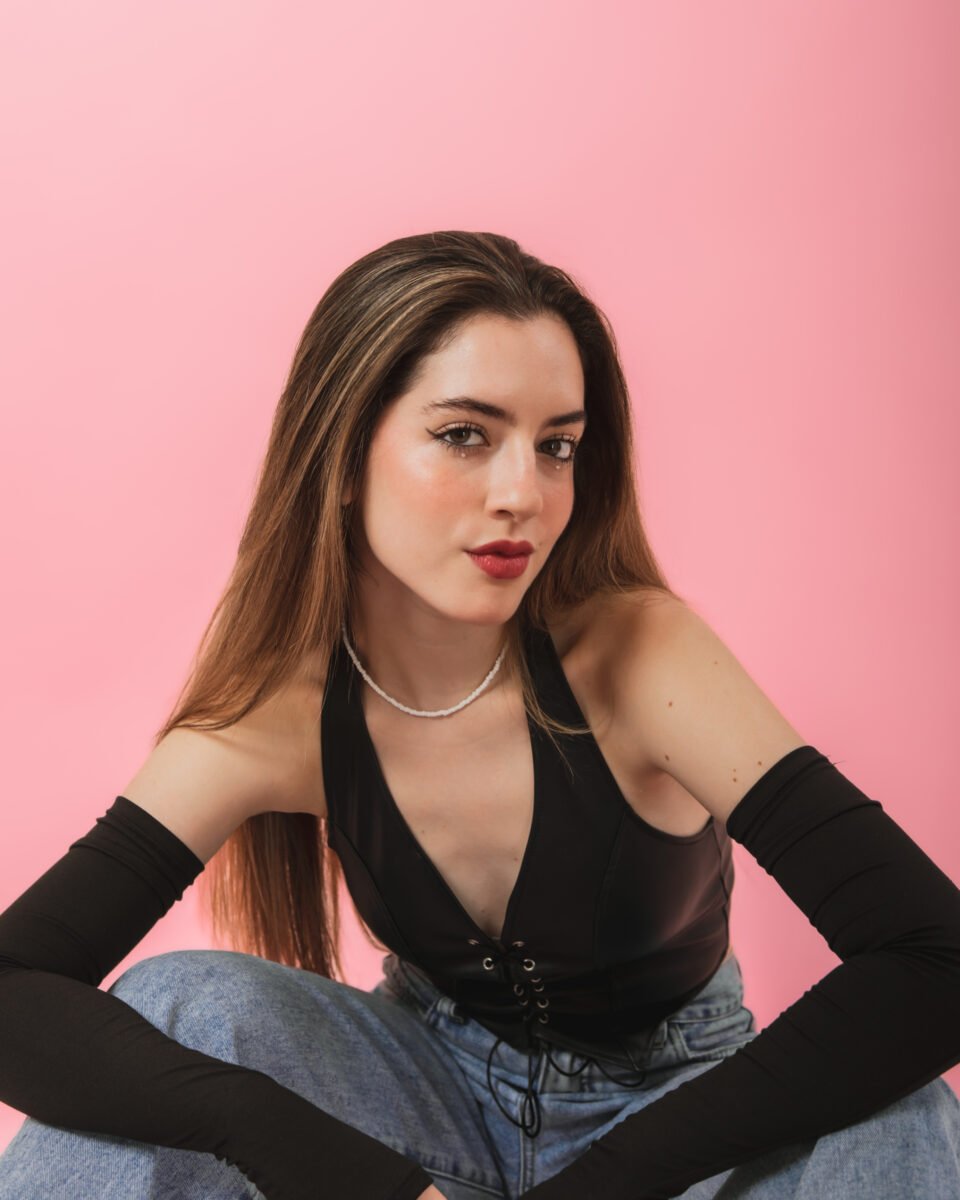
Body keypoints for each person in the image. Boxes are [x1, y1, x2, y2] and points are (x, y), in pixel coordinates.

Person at [0, 230, 958, 1200]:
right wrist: (289, 1145)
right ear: (342, 454)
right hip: (420, 1099)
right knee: (178, 1003)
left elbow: (935, 957)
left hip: (677, 1122)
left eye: (557, 447)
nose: (523, 495)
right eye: (465, 434)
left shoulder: (636, 656)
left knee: (902, 1105)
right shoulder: (276, 715)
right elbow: (14, 988)